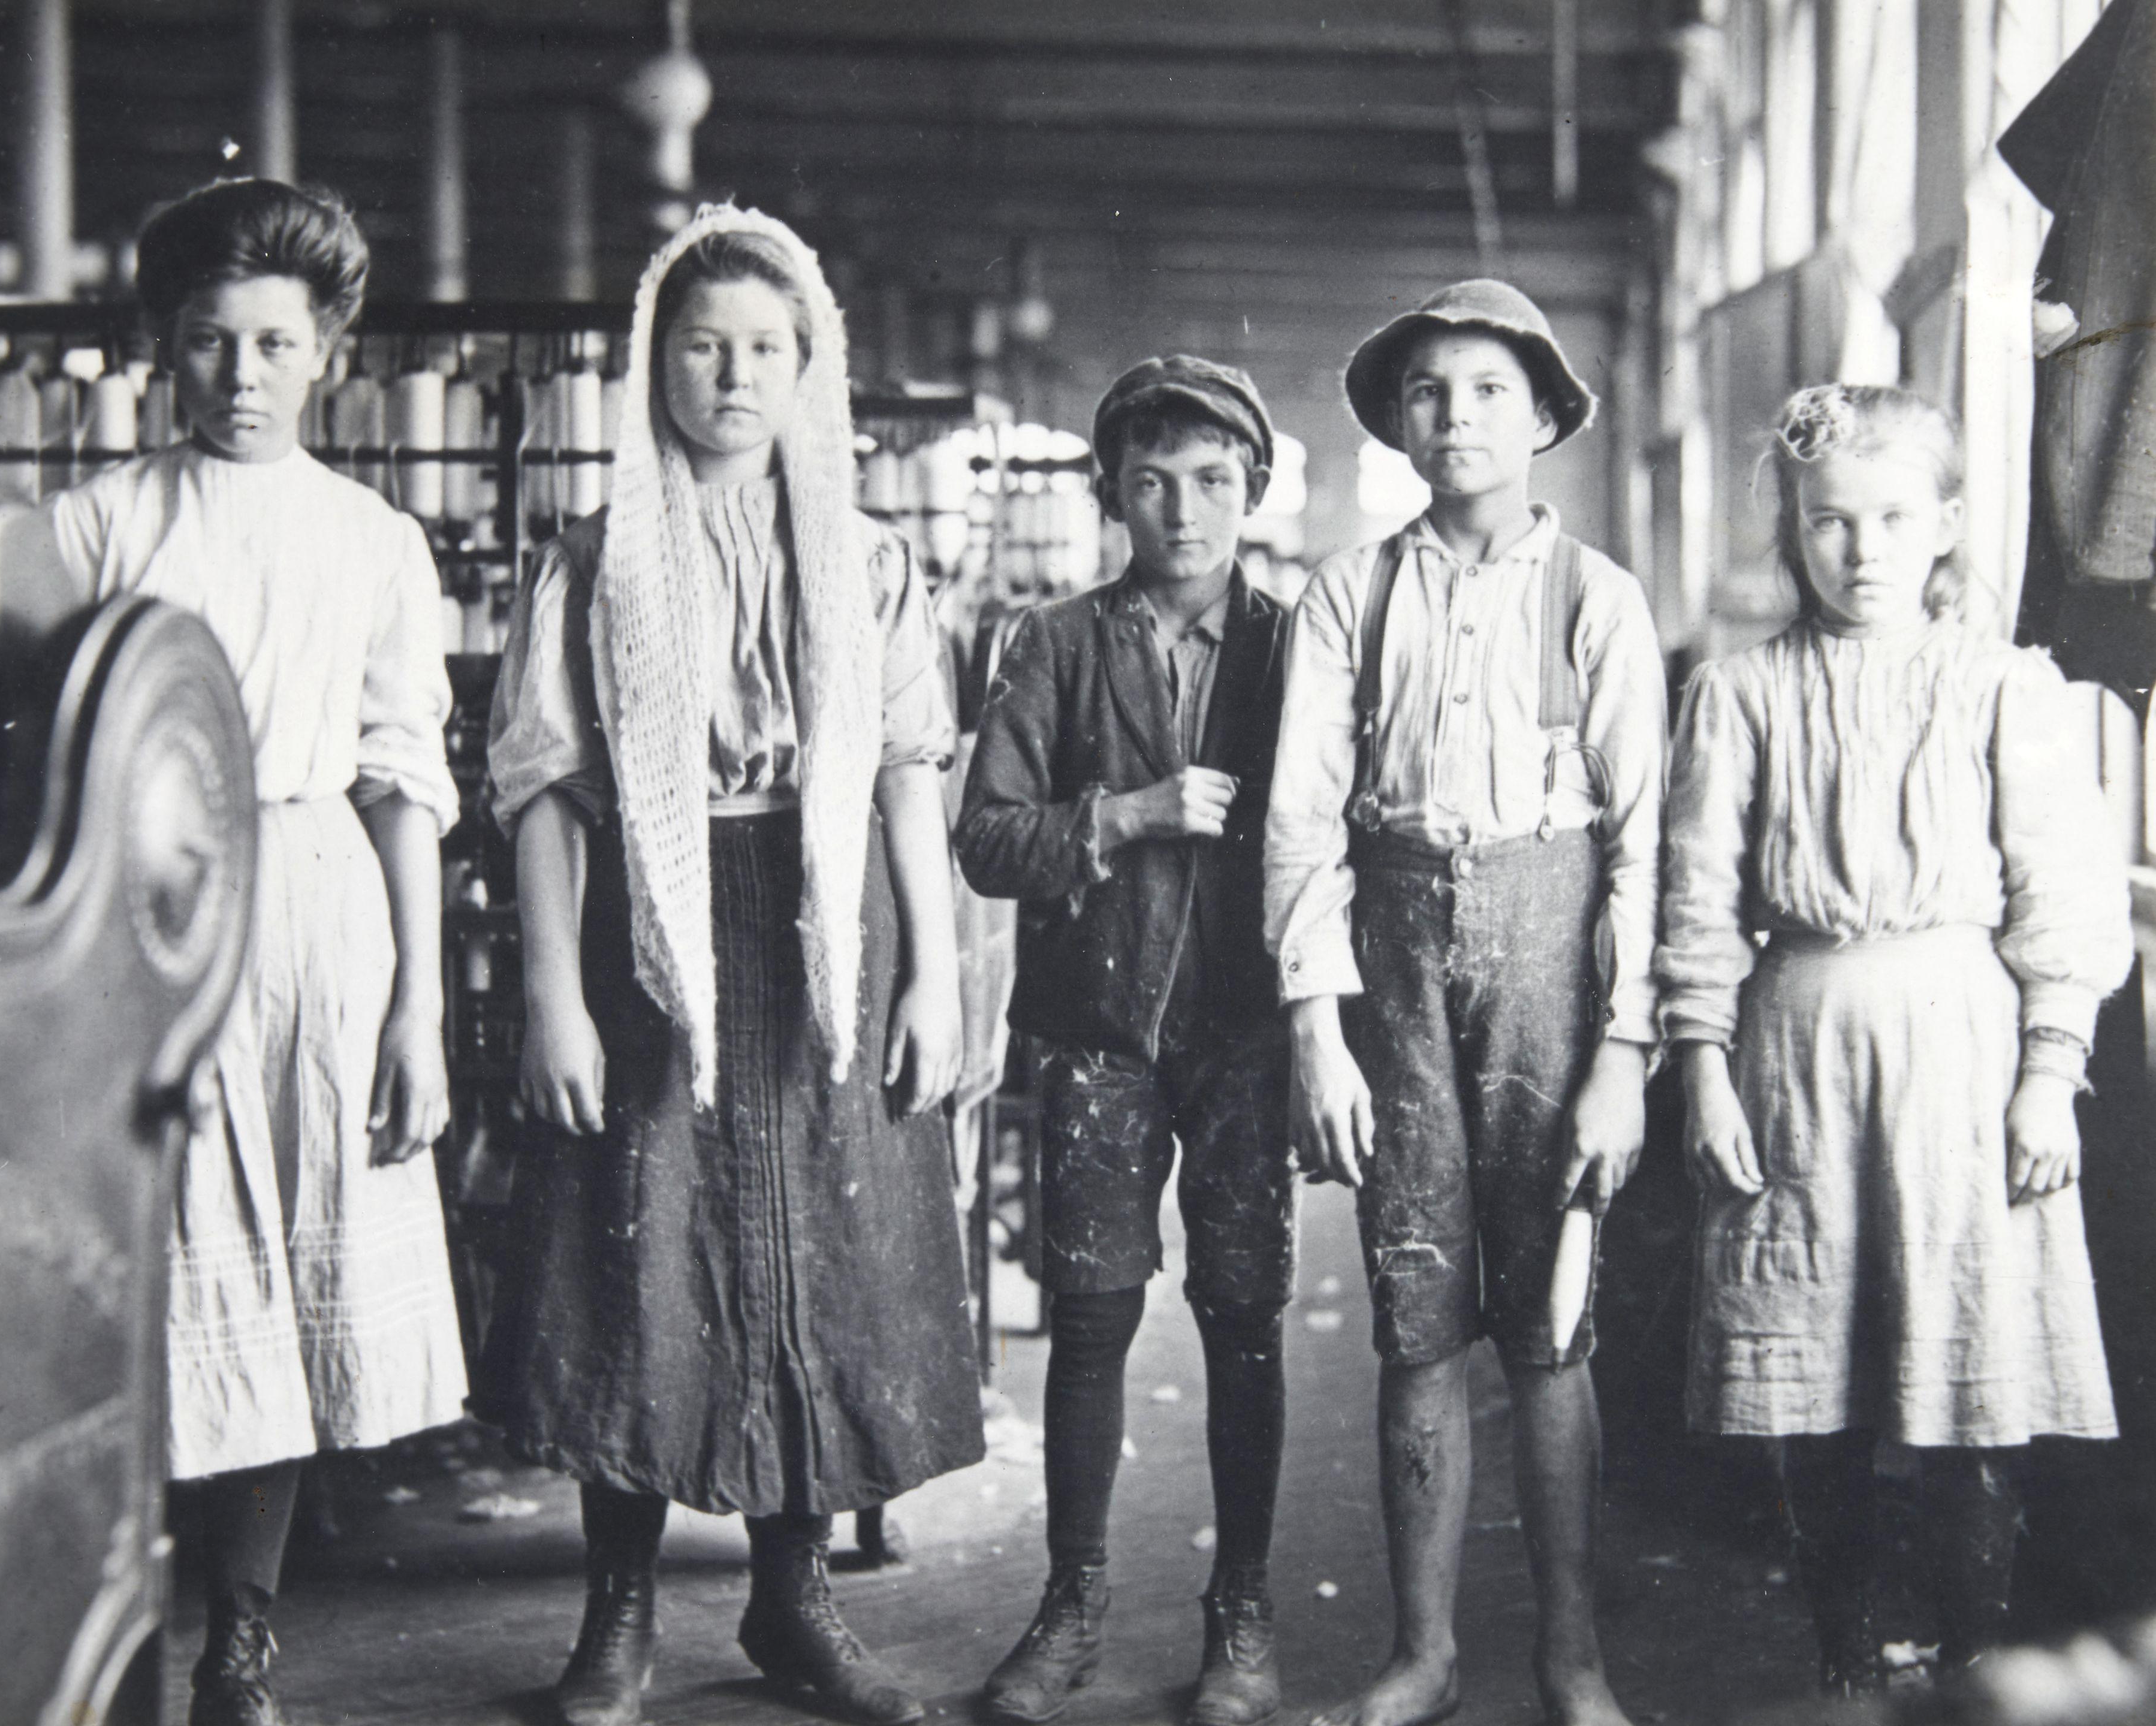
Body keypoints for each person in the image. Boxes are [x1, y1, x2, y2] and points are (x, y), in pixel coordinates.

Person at [475, 204, 982, 1726]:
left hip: (824, 927)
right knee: (639, 1251)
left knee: (820, 1252)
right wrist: (556, 998)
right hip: (652, 927)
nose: (736, 375)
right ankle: (618, 1611)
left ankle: (795, 1599)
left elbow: (907, 777)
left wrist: (933, 974)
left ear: (810, 367)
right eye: (704, 346)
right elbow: (546, 797)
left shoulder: (868, 562)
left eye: (767, 347)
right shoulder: (592, 561)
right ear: (656, 364)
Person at [51, 179, 468, 1726]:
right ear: (163, 346)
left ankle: (241, 1637)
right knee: (149, 1252)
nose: (241, 376)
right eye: (209, 341)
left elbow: (405, 781)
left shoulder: (373, 540)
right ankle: (112, 1629)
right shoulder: (96, 521)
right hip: (136, 900)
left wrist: (418, 1009)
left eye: (276, 343)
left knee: (287, 1254)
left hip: (314, 907)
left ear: (329, 352)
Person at [1658, 383, 2133, 1698]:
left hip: (1963, 1051)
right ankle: (1849, 1660)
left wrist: (2050, 1073)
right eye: (1829, 522)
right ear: (1793, 533)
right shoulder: (1738, 693)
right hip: (1796, 1052)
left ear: (1945, 526)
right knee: (1811, 1377)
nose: (1861, 550)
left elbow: (2065, 893)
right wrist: (1702, 1069)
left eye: (1891, 518)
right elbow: (1695, 899)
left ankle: (1971, 1664)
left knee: (1971, 1368)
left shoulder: (2006, 688)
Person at [1266, 279, 1662, 1726]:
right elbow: (1301, 821)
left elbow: (1646, 845)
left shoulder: (1597, 598)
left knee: (1553, 1319)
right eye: (1429, 390)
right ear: (1397, 421)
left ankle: (1572, 1654)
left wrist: (1624, 1050)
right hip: (1396, 964)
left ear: (1545, 416)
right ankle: (1422, 1653)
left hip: (1555, 968)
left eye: (1490, 388)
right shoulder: (1349, 594)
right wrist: (1317, 1028)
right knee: (1416, 1312)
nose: (1457, 415)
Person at [958, 357, 1295, 1726]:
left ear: (1253, 490)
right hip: (1098, 1028)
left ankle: (1243, 1613)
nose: (1183, 511)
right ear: (1109, 493)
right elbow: (986, 839)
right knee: (1093, 1315)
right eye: (1151, 482)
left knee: (1245, 1314)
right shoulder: (1053, 643)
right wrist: (1126, 814)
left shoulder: (1297, 645)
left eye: (1212, 481)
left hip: (1248, 1028)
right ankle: (1072, 1606)